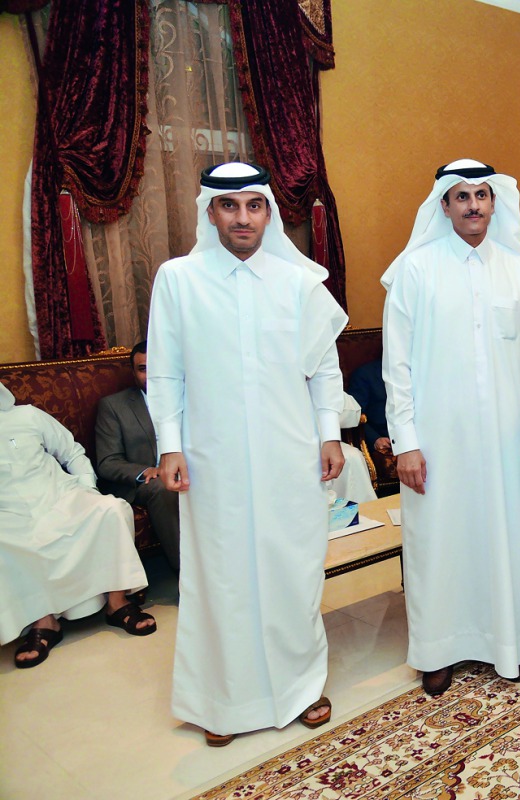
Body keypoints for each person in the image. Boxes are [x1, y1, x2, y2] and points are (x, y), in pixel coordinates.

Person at [147, 161, 346, 746]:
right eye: (229, 206)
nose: (242, 218)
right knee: (222, 579)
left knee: (293, 571)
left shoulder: (299, 282)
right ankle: (223, 703)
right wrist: (170, 447)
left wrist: (329, 432)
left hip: (291, 458)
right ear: (210, 212)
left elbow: (323, 369)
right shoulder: (178, 279)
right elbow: (166, 374)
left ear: (268, 212)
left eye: (253, 205)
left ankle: (302, 687)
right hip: (214, 462)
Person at [381, 159, 520, 696]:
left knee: (502, 537)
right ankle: (437, 649)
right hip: (436, 438)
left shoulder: (516, 268)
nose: (473, 205)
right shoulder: (415, 269)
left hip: (503, 435)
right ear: (444, 205)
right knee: (437, 541)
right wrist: (406, 442)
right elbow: (397, 365)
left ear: (495, 202)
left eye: (482, 195)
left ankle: (505, 645)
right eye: (461, 196)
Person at [1, 380, 155, 669]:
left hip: (60, 495)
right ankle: (43, 622)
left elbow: (72, 452)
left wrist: (87, 491)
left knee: (109, 509)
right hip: (8, 513)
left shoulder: (28, 416)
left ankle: (117, 602)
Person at [95, 341, 182, 570]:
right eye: (143, 369)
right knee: (164, 488)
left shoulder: (185, 399)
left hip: (185, 471)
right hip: (145, 484)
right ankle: (187, 577)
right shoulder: (113, 406)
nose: (150, 376)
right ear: (133, 372)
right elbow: (107, 462)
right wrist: (146, 471)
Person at [347, 359, 389, 458]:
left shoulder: (417, 373)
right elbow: (356, 415)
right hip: (385, 439)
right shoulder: (365, 374)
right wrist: (375, 439)